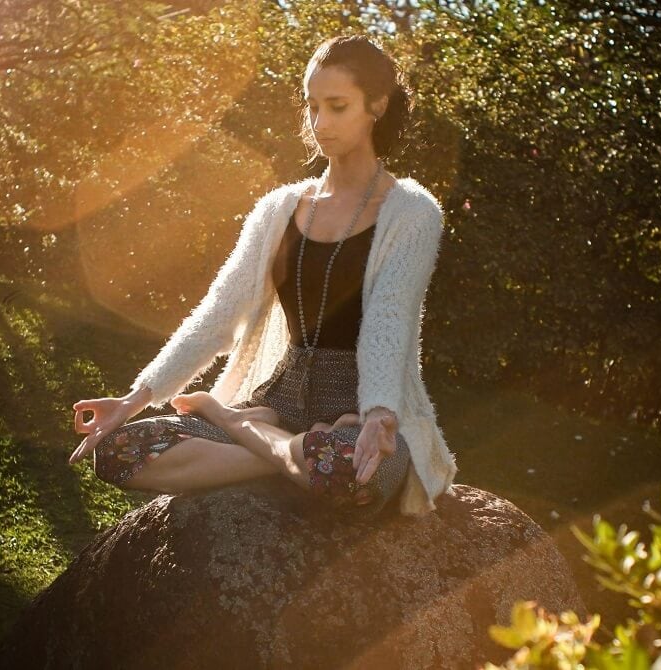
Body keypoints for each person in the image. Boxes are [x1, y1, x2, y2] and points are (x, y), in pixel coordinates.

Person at [70, 35, 458, 517]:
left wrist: (380, 413)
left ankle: (234, 424)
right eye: (312, 106)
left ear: (377, 104)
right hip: (278, 396)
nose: (320, 124)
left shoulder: (413, 212)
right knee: (117, 451)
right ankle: (276, 445)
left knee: (348, 473)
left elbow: (389, 318)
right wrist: (132, 400)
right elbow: (217, 315)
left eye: (337, 107)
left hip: (357, 410)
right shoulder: (279, 209)